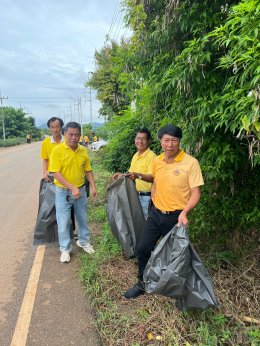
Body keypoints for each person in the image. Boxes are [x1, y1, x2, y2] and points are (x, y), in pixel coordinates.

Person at [124, 124, 204, 299]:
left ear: (179, 141)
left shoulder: (191, 163)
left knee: (176, 255)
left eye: (174, 140)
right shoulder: (157, 160)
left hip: (176, 217)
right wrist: (138, 175)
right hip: (155, 213)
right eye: (166, 140)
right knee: (143, 248)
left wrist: (185, 213)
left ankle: (177, 289)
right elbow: (154, 177)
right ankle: (142, 284)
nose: (170, 144)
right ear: (160, 141)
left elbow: (196, 193)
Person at [49, 121, 97, 263]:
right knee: (63, 221)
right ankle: (65, 248)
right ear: (64, 134)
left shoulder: (83, 150)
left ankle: (83, 241)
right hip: (63, 192)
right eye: (71, 134)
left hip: (81, 190)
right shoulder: (57, 151)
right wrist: (72, 187)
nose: (74, 138)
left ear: (80, 136)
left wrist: (93, 186)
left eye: (77, 135)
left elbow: (88, 169)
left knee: (82, 218)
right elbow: (56, 173)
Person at [113, 128, 156, 219]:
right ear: (135, 140)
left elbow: (152, 178)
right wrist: (122, 175)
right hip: (135, 195)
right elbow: (131, 173)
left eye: (143, 139)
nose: (140, 141)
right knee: (137, 222)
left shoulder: (151, 156)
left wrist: (138, 175)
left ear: (148, 142)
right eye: (138, 138)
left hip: (146, 198)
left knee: (146, 222)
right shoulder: (136, 155)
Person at [40, 117, 64, 181]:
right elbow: (45, 159)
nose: (55, 130)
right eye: (52, 127)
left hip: (66, 172)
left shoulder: (67, 141)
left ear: (61, 127)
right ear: (49, 128)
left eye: (57, 127)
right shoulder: (45, 142)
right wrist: (45, 172)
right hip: (52, 174)